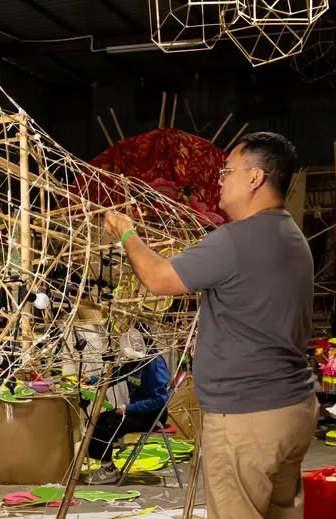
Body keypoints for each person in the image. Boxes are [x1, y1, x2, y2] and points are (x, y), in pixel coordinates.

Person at [104, 132, 319, 518]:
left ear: (255, 177)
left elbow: (159, 279)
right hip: (293, 408)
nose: (219, 180)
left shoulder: (236, 240)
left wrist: (128, 233)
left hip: (247, 417)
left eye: (227, 172)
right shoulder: (292, 237)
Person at [84, 353, 170, 484]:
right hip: (137, 412)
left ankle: (108, 469)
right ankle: (107, 465)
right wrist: (93, 380)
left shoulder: (154, 363)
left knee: (102, 424)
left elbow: (160, 400)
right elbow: (115, 375)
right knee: (95, 420)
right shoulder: (134, 362)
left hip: (152, 415)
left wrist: (129, 408)